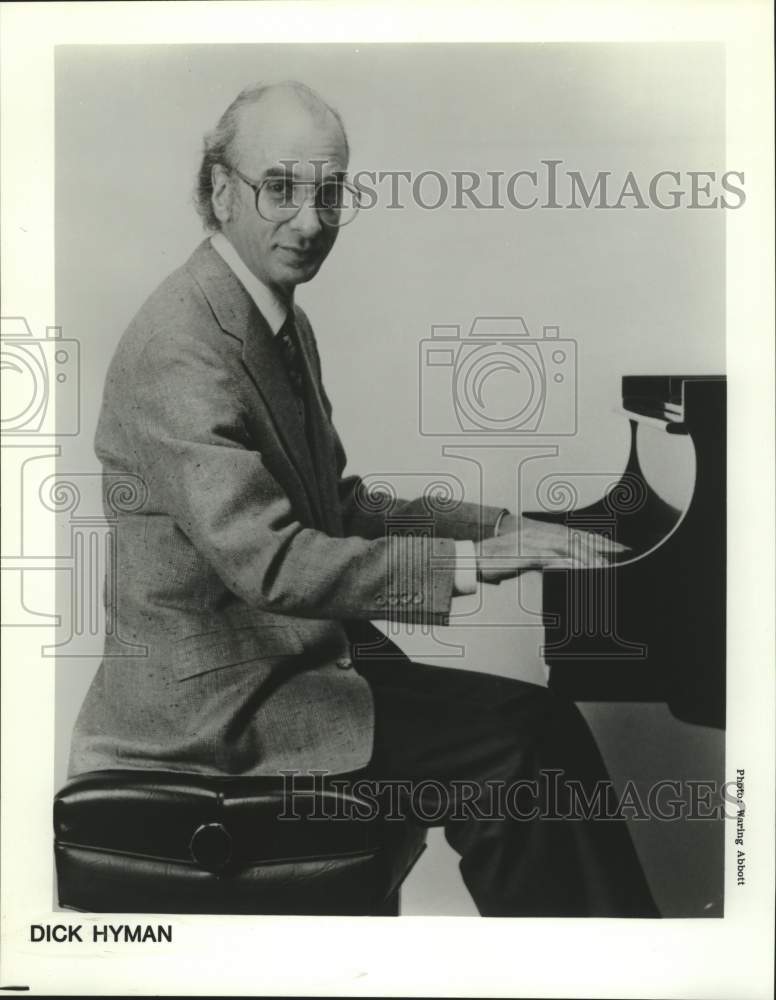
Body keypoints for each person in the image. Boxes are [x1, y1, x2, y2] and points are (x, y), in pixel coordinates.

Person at [69, 81, 658, 917]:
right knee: (526, 746)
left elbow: (335, 509)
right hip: (218, 716)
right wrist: (470, 564)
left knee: (536, 732)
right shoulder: (182, 345)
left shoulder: (269, 317)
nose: (310, 221)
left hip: (285, 665)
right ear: (219, 188)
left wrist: (505, 527)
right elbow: (271, 559)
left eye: (330, 191)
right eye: (281, 187)